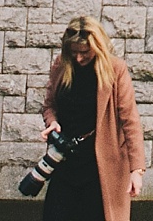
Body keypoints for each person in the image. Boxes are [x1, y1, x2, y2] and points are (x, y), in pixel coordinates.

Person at [37, 17, 144, 221]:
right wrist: (52, 122)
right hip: (65, 161)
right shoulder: (61, 64)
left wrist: (136, 170)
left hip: (102, 165)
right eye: (73, 51)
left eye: (85, 52)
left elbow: (130, 120)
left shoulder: (116, 69)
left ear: (98, 46)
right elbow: (49, 105)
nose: (78, 58)